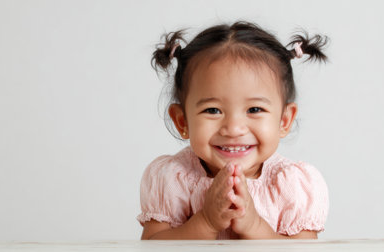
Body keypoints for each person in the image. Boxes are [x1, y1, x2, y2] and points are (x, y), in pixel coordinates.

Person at [137, 21, 329, 240]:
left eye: (254, 109)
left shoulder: (291, 185)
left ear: (284, 120)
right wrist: (206, 222)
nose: (234, 128)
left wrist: (255, 226)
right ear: (182, 122)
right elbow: (152, 246)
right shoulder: (172, 179)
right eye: (213, 110)